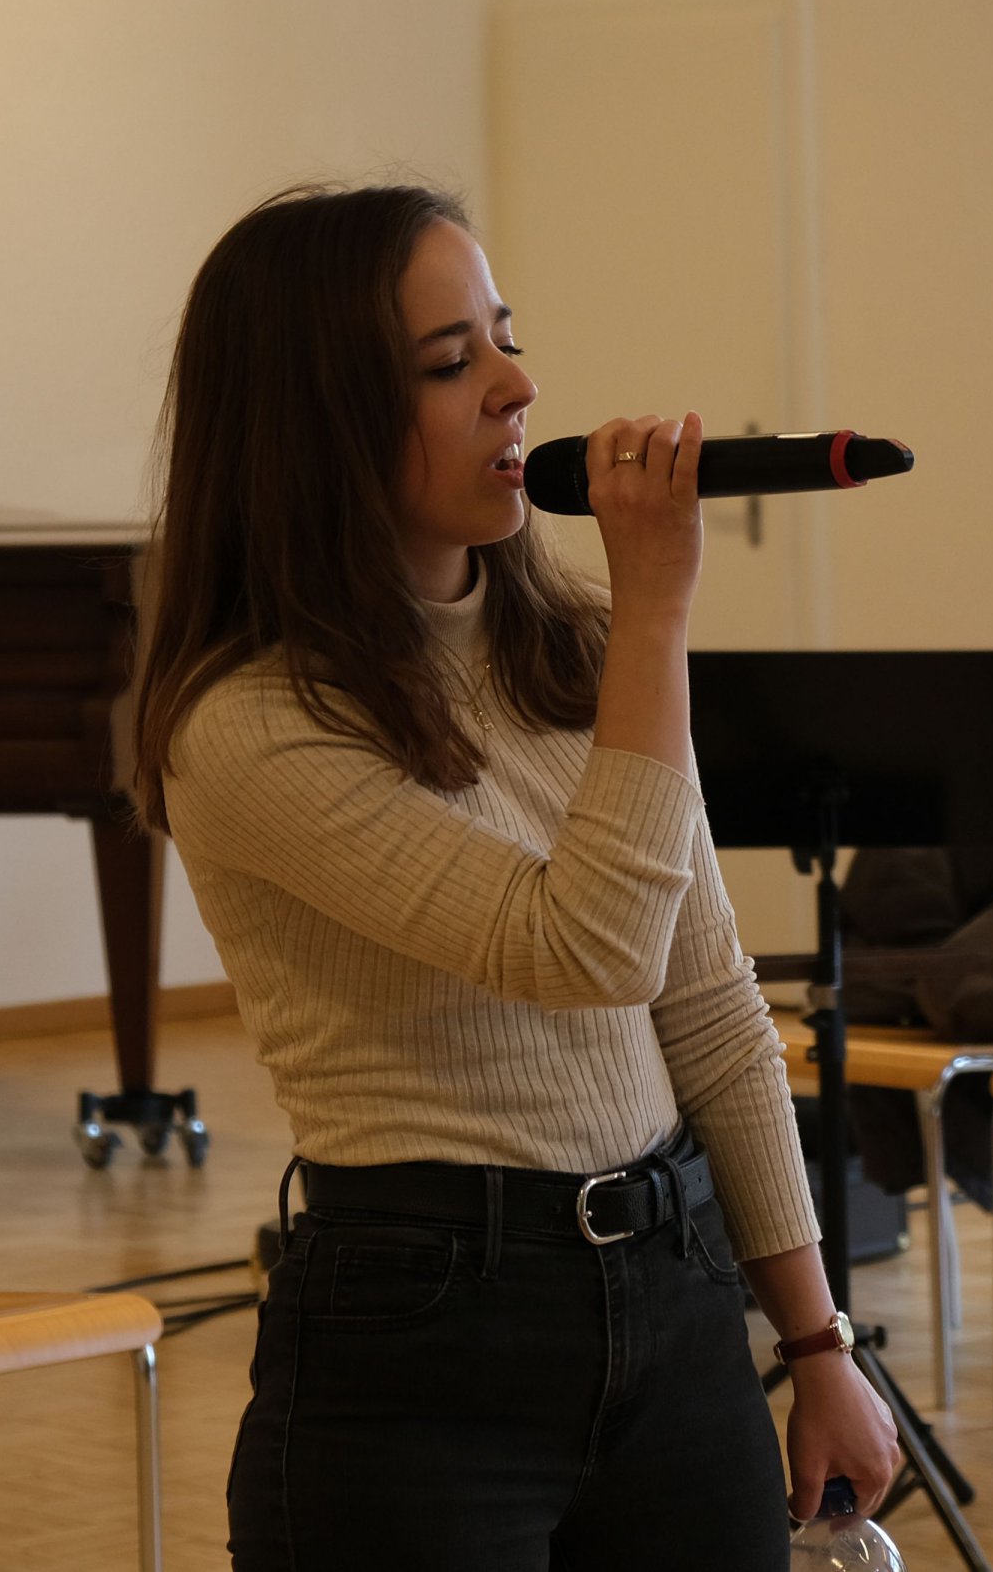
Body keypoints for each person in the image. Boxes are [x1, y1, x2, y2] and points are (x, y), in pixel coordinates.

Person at [135, 184, 899, 1570]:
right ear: (318, 423)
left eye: (506, 337)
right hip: (421, 1340)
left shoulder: (578, 649)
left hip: (674, 1294)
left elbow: (708, 1004)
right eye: (451, 363)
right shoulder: (249, 724)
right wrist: (659, 607)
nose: (519, 388)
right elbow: (586, 949)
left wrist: (817, 1341)